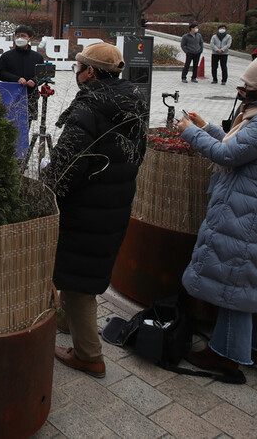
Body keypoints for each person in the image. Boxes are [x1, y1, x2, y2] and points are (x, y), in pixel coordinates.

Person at [176, 51, 257, 382]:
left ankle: (225, 354)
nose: (242, 88)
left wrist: (189, 132)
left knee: (235, 281)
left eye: (248, 83)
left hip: (249, 205)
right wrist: (206, 126)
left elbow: (228, 155)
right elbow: (245, 150)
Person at [42, 43, 148, 378]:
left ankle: (89, 355)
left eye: (78, 66)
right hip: (114, 201)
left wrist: (46, 184)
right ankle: (63, 321)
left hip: (85, 207)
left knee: (78, 282)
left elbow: (68, 163)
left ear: (90, 71)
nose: (76, 71)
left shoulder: (90, 104)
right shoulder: (132, 97)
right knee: (82, 271)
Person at [0, 25, 45, 123]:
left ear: (29, 39)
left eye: (23, 36)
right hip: (11, 94)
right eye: (17, 36)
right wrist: (16, 79)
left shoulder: (37, 57)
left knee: (26, 125)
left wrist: (34, 81)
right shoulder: (6, 56)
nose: (20, 38)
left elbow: (42, 75)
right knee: (8, 123)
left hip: (30, 96)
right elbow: (0, 73)